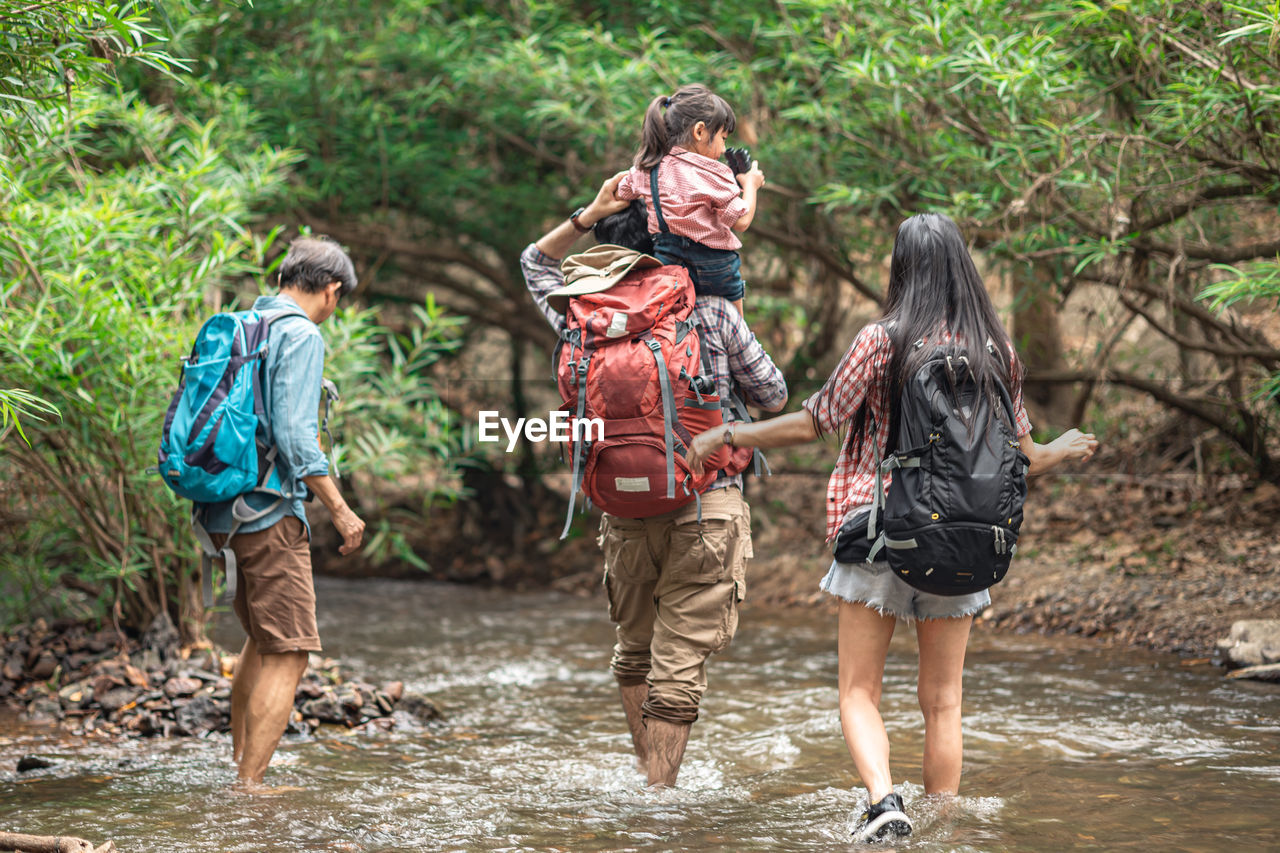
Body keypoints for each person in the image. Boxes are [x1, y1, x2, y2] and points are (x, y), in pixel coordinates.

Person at [686, 212, 1098, 841]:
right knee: (944, 701)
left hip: (878, 534)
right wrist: (1063, 447)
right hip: (964, 539)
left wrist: (729, 432)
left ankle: (885, 804)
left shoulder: (883, 339)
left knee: (858, 691)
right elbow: (1023, 456)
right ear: (964, 266)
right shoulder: (998, 351)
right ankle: (945, 828)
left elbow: (814, 421)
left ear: (901, 269)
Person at [520, 174, 788, 787]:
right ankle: (661, 798)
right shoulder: (708, 309)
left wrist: (588, 211)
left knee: (635, 651)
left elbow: (535, 263)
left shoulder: (578, 312)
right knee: (679, 662)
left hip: (620, 504)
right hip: (706, 501)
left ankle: (649, 777)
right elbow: (773, 394)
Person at [198, 236, 366, 790]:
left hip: (222, 507)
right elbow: (296, 438)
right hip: (269, 510)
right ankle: (250, 785)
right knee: (291, 650)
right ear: (333, 291)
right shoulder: (301, 334)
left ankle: (240, 762)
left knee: (262, 640)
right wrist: (340, 511)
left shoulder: (245, 325)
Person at [613, 84, 766, 316]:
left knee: (673, 329)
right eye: (723, 138)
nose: (724, 149)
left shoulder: (647, 169)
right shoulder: (715, 172)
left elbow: (621, 194)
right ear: (700, 131)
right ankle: (739, 346)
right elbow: (742, 221)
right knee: (737, 336)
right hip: (717, 269)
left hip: (669, 266)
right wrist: (750, 185)